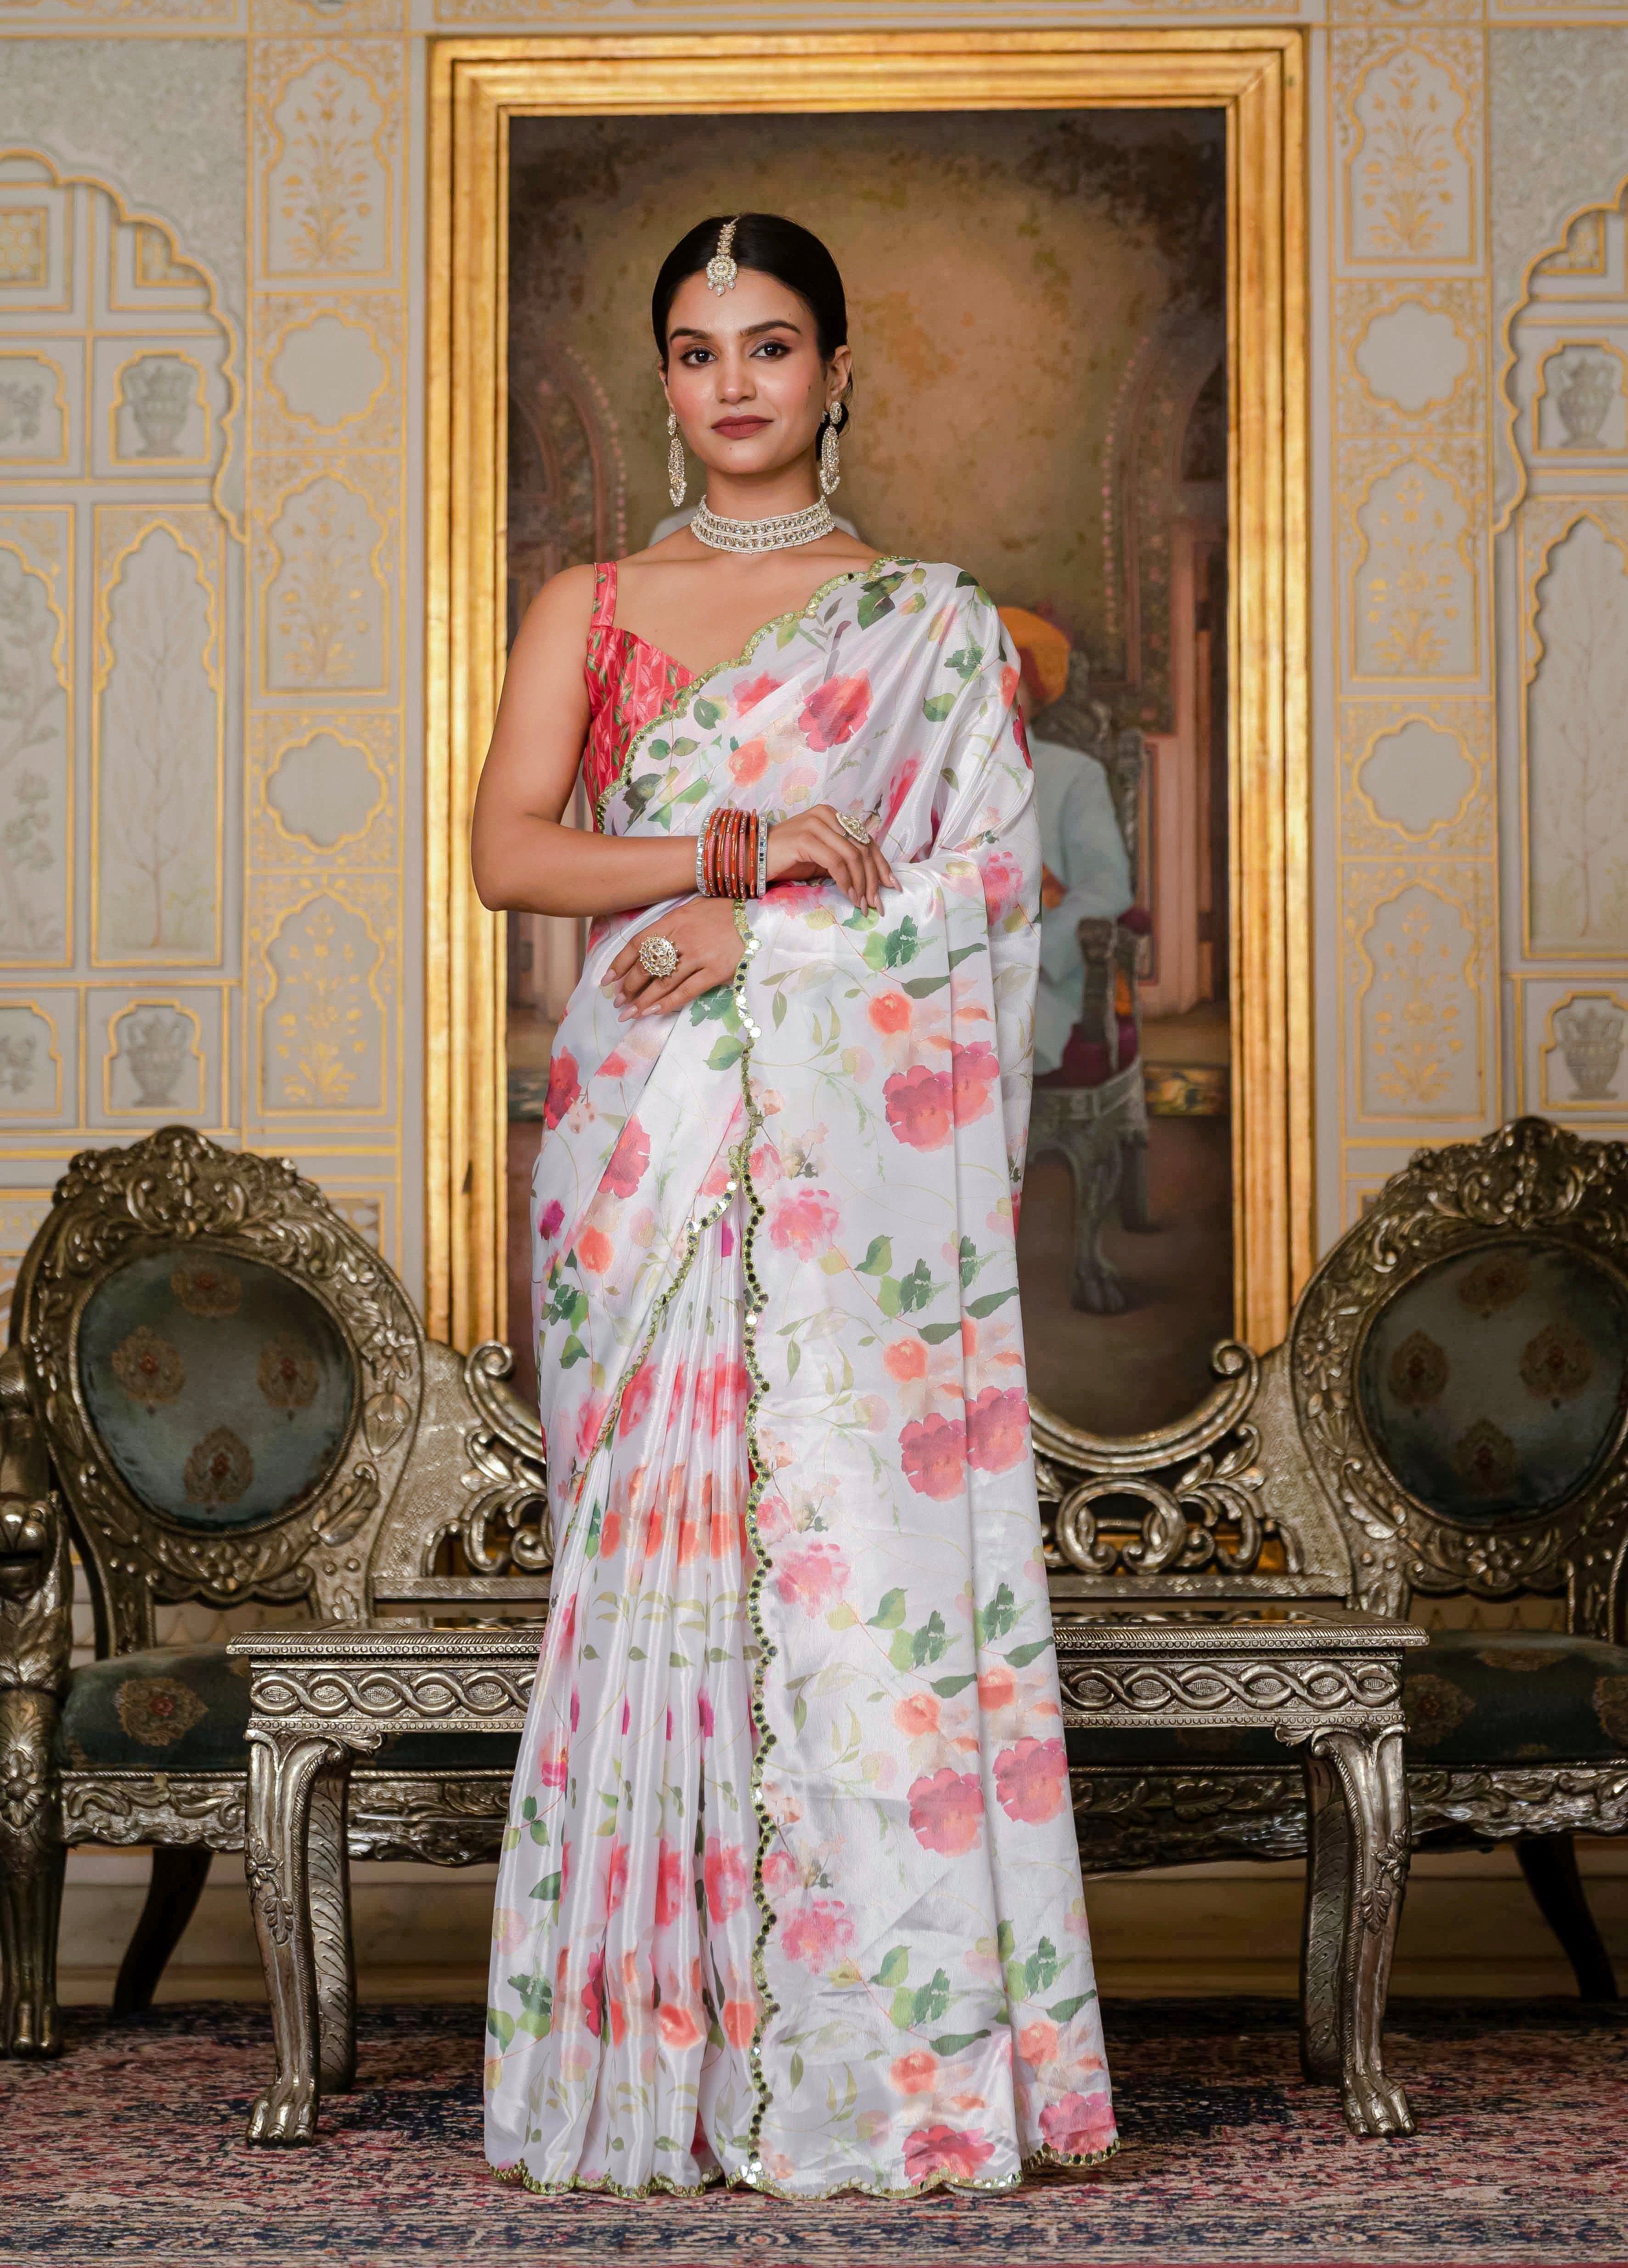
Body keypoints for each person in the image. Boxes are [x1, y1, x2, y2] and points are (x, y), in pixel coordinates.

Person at [470, 212, 1117, 2201]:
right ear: (667, 380)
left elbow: (985, 900)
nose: (732, 382)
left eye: (769, 345)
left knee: (851, 1563)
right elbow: (510, 853)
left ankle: (868, 2063)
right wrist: (729, 848)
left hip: (834, 1162)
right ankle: (651, 2075)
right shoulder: (593, 600)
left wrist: (756, 936)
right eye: (694, 348)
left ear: (838, 373)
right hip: (639, 1140)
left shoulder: (926, 622)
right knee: (653, 1577)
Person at [997, 611, 1135, 1079]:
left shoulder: (1074, 774)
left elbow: (1106, 886)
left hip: (1042, 977)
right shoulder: (935, 776)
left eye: (1008, 683)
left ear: (1033, 695)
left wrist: (1035, 956)